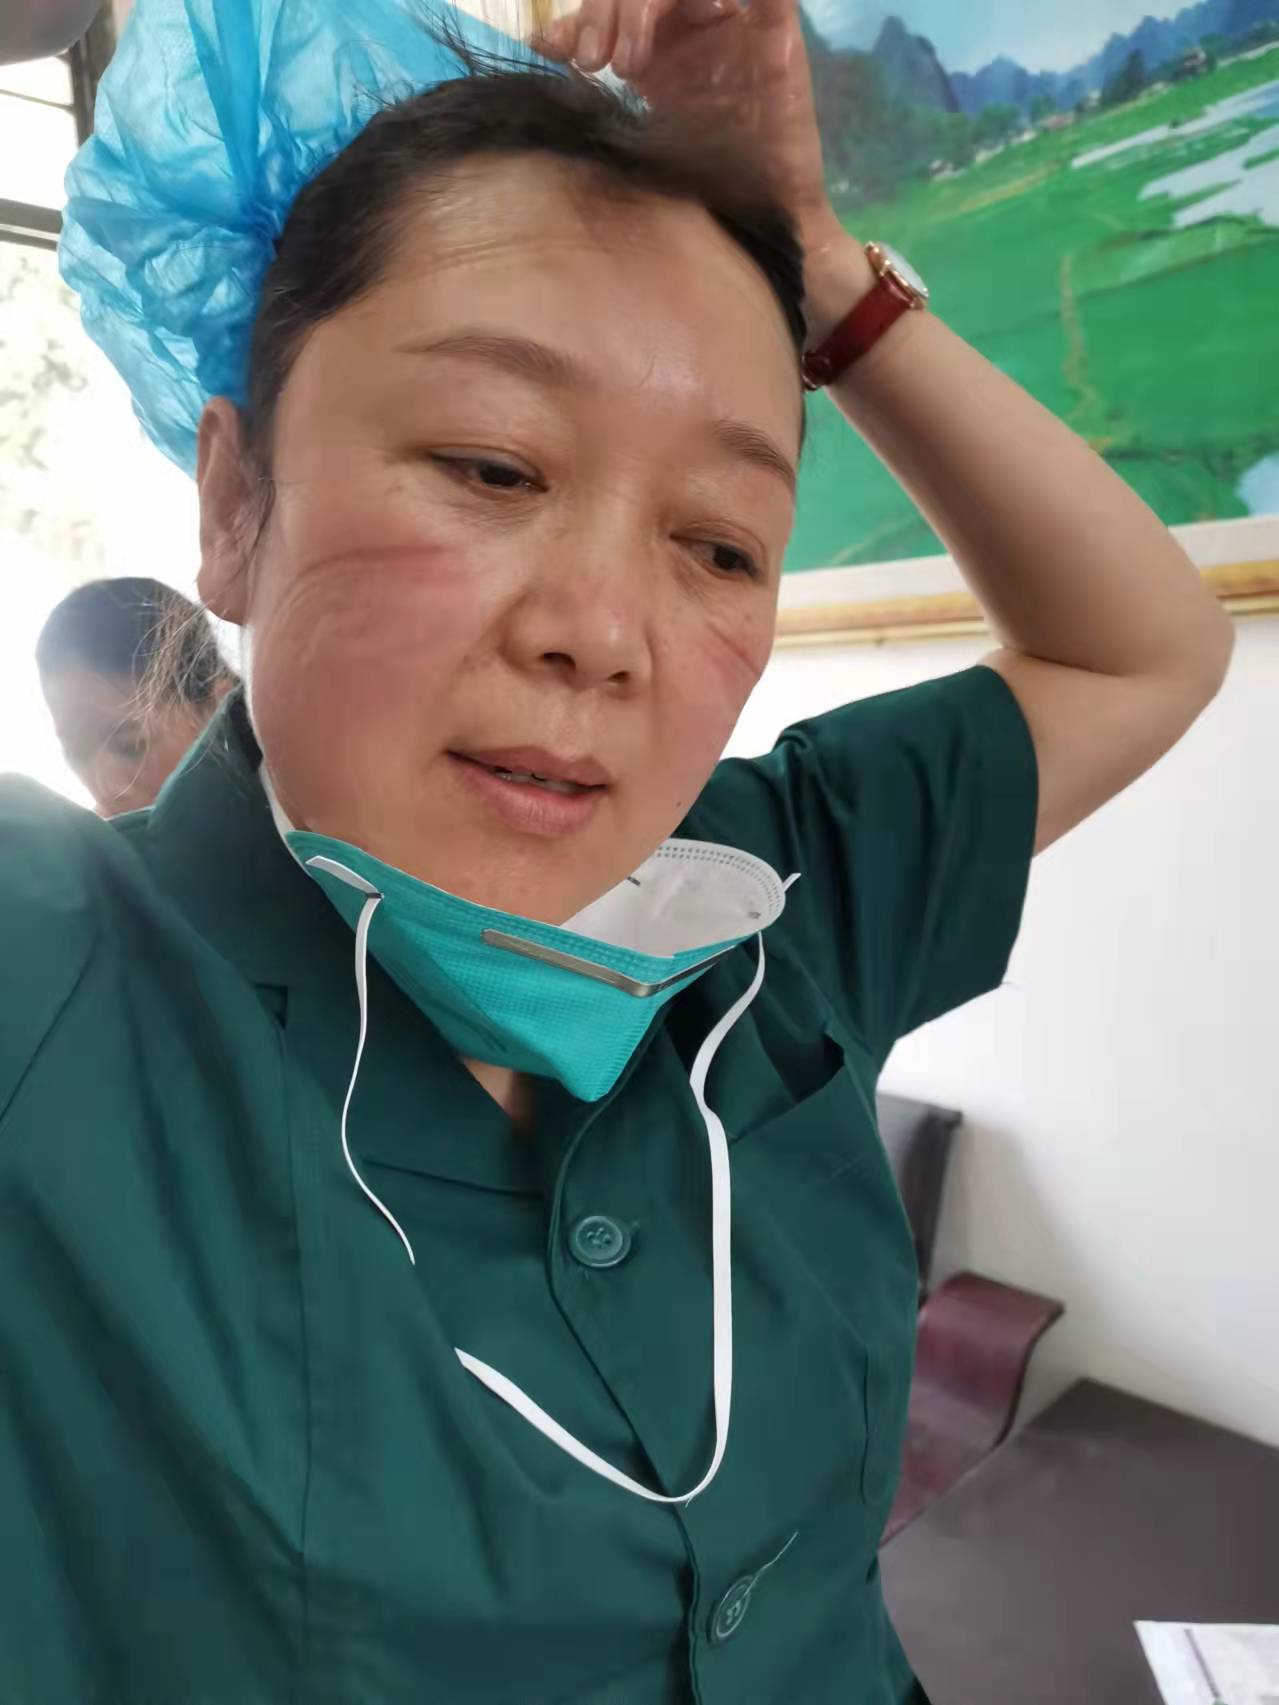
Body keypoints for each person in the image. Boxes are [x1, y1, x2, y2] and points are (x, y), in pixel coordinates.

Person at [0, 0, 1234, 1699]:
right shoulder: (58, 985)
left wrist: (818, 266)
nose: (600, 633)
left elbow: (1140, 648)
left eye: (718, 546)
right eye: (491, 464)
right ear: (232, 504)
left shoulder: (774, 893)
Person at [35, 575, 236, 814]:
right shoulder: (97, 833)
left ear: (217, 707)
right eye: (76, 753)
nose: (107, 789)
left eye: (132, 745)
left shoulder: (275, 815)